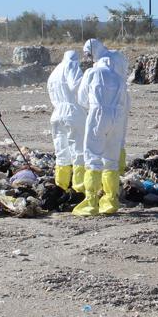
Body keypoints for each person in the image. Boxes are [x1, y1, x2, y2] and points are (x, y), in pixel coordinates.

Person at [74, 55, 127, 216]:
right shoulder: (119, 77)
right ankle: (110, 202)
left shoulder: (92, 72)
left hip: (98, 113)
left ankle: (91, 202)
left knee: (92, 156)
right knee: (111, 159)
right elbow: (125, 102)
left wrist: (93, 106)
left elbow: (82, 98)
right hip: (117, 116)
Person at [83, 38, 129, 172]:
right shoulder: (117, 57)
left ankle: (94, 185)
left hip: (101, 105)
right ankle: (118, 171)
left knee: (94, 146)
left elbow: (83, 97)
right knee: (117, 138)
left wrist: (90, 106)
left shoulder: (95, 70)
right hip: (120, 101)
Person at [47, 50, 85, 192]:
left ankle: (61, 186)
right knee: (78, 150)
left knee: (62, 151)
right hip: (73, 113)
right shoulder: (71, 66)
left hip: (57, 114)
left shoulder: (54, 73)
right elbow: (76, 86)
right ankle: (79, 188)